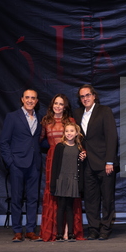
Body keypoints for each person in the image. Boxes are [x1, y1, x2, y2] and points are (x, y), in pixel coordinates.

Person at [73, 84, 118, 240]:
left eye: (87, 95)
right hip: (87, 164)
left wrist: (110, 161)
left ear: (94, 96)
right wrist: (81, 151)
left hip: (105, 163)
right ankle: (93, 228)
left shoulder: (104, 111)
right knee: (91, 200)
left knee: (107, 198)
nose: (85, 98)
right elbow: (78, 137)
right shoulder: (77, 113)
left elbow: (112, 137)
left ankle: (106, 228)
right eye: (82, 96)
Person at [39, 94, 84, 241]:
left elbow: (77, 141)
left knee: (70, 198)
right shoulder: (46, 121)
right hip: (53, 159)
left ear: (65, 107)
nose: (58, 106)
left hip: (69, 159)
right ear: (52, 105)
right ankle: (52, 232)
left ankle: (68, 231)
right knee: (54, 195)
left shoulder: (70, 121)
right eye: (56, 103)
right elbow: (39, 141)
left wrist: (82, 152)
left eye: (61, 104)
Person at [0, 89, 43, 242]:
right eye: (27, 98)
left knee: (33, 199)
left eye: (33, 98)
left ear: (37, 101)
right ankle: (17, 231)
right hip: (17, 164)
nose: (30, 100)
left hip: (34, 164)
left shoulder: (40, 118)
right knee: (16, 199)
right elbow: (4, 142)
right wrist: (10, 162)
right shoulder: (12, 117)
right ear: (22, 99)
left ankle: (30, 230)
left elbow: (38, 141)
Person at [50, 122, 84, 242]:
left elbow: (81, 166)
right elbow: (55, 166)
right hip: (61, 179)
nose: (69, 133)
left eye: (71, 131)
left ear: (76, 133)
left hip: (73, 179)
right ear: (64, 133)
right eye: (67, 131)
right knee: (61, 207)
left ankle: (70, 233)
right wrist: (53, 183)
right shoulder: (60, 147)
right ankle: (59, 233)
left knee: (70, 207)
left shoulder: (79, 148)